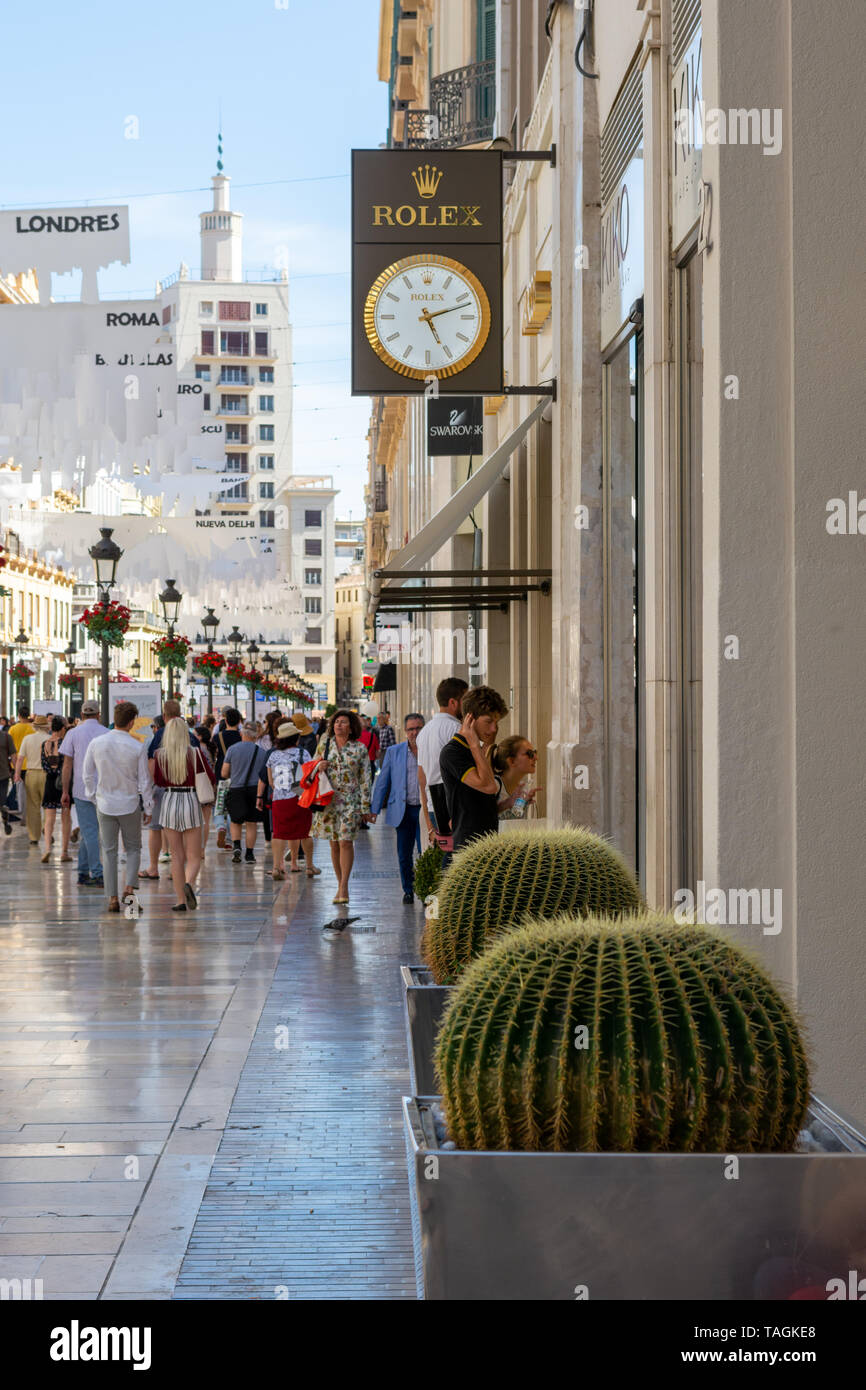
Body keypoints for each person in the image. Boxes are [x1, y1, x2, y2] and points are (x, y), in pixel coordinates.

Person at [83, 701, 154, 914]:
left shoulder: (97, 743)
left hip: (105, 802)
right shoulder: (137, 746)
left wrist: (92, 795)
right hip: (130, 802)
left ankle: (112, 898)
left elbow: (87, 773)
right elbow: (144, 781)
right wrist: (148, 807)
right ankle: (129, 891)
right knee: (133, 848)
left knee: (109, 850)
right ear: (132, 722)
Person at [151, 716, 214, 911]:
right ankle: (189, 882)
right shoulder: (195, 753)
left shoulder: (159, 754)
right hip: (190, 800)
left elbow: (159, 780)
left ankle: (180, 900)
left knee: (176, 855)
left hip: (169, 801)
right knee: (194, 855)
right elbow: (210, 777)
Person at [311, 709, 373, 904]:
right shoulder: (324, 743)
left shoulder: (360, 749)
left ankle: (344, 885)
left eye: (343, 722)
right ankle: (339, 885)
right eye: (336, 721)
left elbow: (366, 779)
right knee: (334, 842)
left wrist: (365, 807)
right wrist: (318, 766)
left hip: (350, 801)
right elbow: (311, 765)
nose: (338, 725)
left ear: (351, 726)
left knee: (346, 841)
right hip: (328, 800)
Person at [439, 685, 509, 853]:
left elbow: (481, 803)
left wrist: (508, 802)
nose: (494, 729)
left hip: (487, 843)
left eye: (497, 723)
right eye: (489, 722)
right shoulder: (453, 752)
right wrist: (474, 745)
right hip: (468, 847)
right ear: (470, 718)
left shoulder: (477, 751)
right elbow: (488, 786)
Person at [370, 713, 425, 903]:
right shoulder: (394, 752)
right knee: (404, 854)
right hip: (403, 810)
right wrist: (374, 809)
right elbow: (382, 782)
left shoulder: (432, 750)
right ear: (405, 731)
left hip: (425, 811)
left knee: (425, 851)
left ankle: (427, 891)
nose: (415, 732)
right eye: (411, 729)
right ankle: (408, 889)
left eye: (418, 728)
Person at [257, 722, 316, 880]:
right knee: (304, 832)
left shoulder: (273, 755)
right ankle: (309, 866)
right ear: (296, 738)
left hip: (279, 799)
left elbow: (270, 781)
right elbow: (309, 777)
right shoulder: (303, 754)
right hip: (299, 797)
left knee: (279, 833)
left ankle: (277, 867)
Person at [416, 677, 468, 846]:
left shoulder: (424, 732)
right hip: (453, 806)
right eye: (465, 701)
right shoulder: (455, 729)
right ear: (453, 702)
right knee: (456, 859)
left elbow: (422, 778)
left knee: (447, 856)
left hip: (434, 806)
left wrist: (428, 822)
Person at [59, 700, 107, 886]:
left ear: (81, 714)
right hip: (102, 789)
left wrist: (65, 790)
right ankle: (95, 872)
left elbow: (67, 765)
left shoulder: (73, 733)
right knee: (92, 832)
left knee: (89, 831)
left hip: (80, 789)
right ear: (98, 714)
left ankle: (83, 871)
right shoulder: (106, 733)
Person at [221, 721, 269, 864]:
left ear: (242, 733)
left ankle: (236, 846)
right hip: (255, 789)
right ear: (256, 736)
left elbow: (224, 773)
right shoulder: (262, 752)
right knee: (251, 823)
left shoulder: (232, 749)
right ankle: (249, 854)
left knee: (236, 821)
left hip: (236, 788)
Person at [14, 714, 50, 845]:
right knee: (48, 806)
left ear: (35, 726)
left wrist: (17, 774)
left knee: (32, 806)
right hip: (47, 775)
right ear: (46, 727)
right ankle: (47, 830)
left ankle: (34, 836)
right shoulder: (50, 739)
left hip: (31, 774)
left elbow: (20, 758)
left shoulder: (28, 739)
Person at [41, 716, 72, 863]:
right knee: (66, 817)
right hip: (63, 783)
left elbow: (44, 765)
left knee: (49, 818)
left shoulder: (45, 744)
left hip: (49, 782)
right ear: (62, 729)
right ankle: (64, 852)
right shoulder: (65, 743)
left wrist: (52, 770)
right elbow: (67, 764)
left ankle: (47, 848)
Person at [212, 707, 242, 849]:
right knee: (233, 806)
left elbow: (214, 754)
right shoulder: (242, 736)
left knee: (220, 803)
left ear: (225, 720)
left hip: (221, 772)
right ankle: (230, 838)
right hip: (237, 774)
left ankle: (220, 827)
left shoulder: (218, 736)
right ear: (239, 721)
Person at [493, 737, 540, 819]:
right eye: (530, 754)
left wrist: (522, 805)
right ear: (512, 761)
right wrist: (506, 804)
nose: (536, 758)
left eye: (535, 752)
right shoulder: (494, 785)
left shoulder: (521, 790)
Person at [194, 725, 216, 852]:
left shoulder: (198, 749)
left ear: (200, 736)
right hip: (209, 785)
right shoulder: (211, 748)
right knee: (206, 820)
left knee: (197, 819)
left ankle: (196, 848)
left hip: (199, 785)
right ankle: (202, 849)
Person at [0, 720, 15, 837]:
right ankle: (5, 822)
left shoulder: (6, 737)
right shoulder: (6, 737)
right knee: (2, 801)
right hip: (4, 774)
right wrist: (17, 771)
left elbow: (13, 755)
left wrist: (17, 772)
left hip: (3, 775)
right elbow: (14, 756)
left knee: (2, 802)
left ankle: (5, 821)